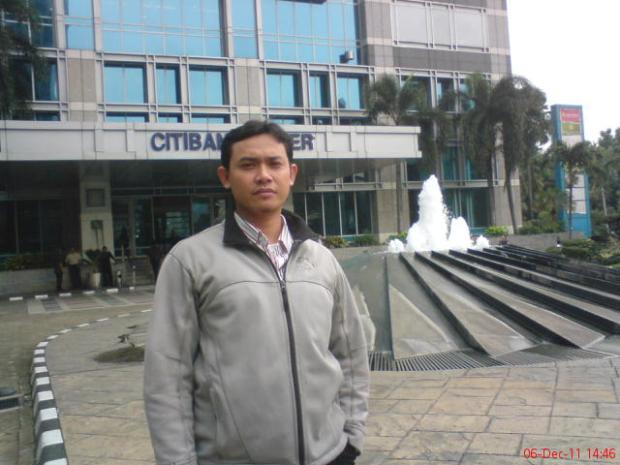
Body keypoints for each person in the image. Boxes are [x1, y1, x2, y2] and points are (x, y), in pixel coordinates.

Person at [144, 120, 370, 465]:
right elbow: (167, 377)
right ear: (225, 176)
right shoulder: (190, 260)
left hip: (330, 455)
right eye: (248, 165)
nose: (263, 175)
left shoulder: (321, 259)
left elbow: (350, 354)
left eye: (274, 163)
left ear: (291, 173)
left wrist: (351, 439)